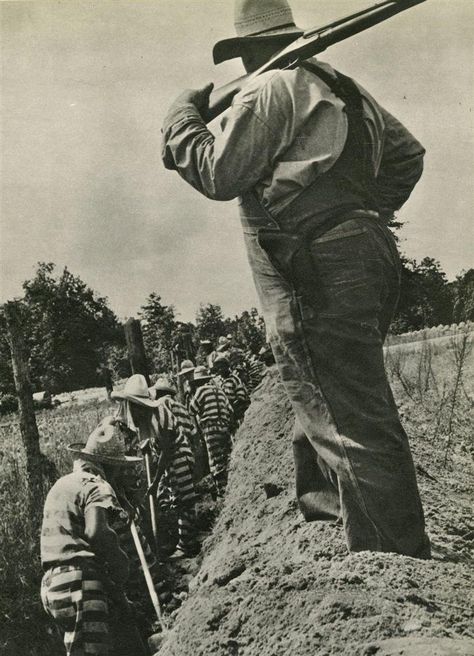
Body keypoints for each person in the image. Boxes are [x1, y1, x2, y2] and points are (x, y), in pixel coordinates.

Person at [161, 0, 430, 557]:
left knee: (347, 412)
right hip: (366, 252)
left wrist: (181, 118)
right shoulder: (344, 89)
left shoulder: (271, 90)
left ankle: (391, 558)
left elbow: (217, 173)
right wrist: (350, 213)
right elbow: (406, 158)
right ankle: (331, 518)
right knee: (327, 388)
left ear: (248, 52)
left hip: (315, 263)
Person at [40, 416, 146, 656]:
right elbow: (96, 532)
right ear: (107, 466)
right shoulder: (97, 485)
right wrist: (121, 562)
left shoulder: (62, 485)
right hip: (79, 582)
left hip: (52, 586)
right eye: (118, 468)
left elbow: (76, 546)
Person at [112, 374, 199, 558]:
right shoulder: (145, 415)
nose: (132, 411)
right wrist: (147, 444)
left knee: (185, 500)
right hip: (170, 458)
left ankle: (187, 545)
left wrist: (156, 480)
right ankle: (184, 540)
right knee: (177, 499)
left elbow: (167, 450)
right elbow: (151, 440)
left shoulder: (159, 414)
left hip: (178, 456)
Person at [189, 366, 234, 496]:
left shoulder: (201, 391)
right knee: (226, 457)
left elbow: (192, 410)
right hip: (224, 427)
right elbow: (230, 410)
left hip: (210, 428)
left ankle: (222, 492)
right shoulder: (219, 390)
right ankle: (230, 487)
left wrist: (197, 430)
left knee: (215, 460)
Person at [212, 354, 250, 426]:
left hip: (238, 412)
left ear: (227, 366)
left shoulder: (234, 379)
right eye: (218, 368)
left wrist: (233, 409)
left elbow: (241, 397)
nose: (220, 370)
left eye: (222, 367)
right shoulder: (220, 382)